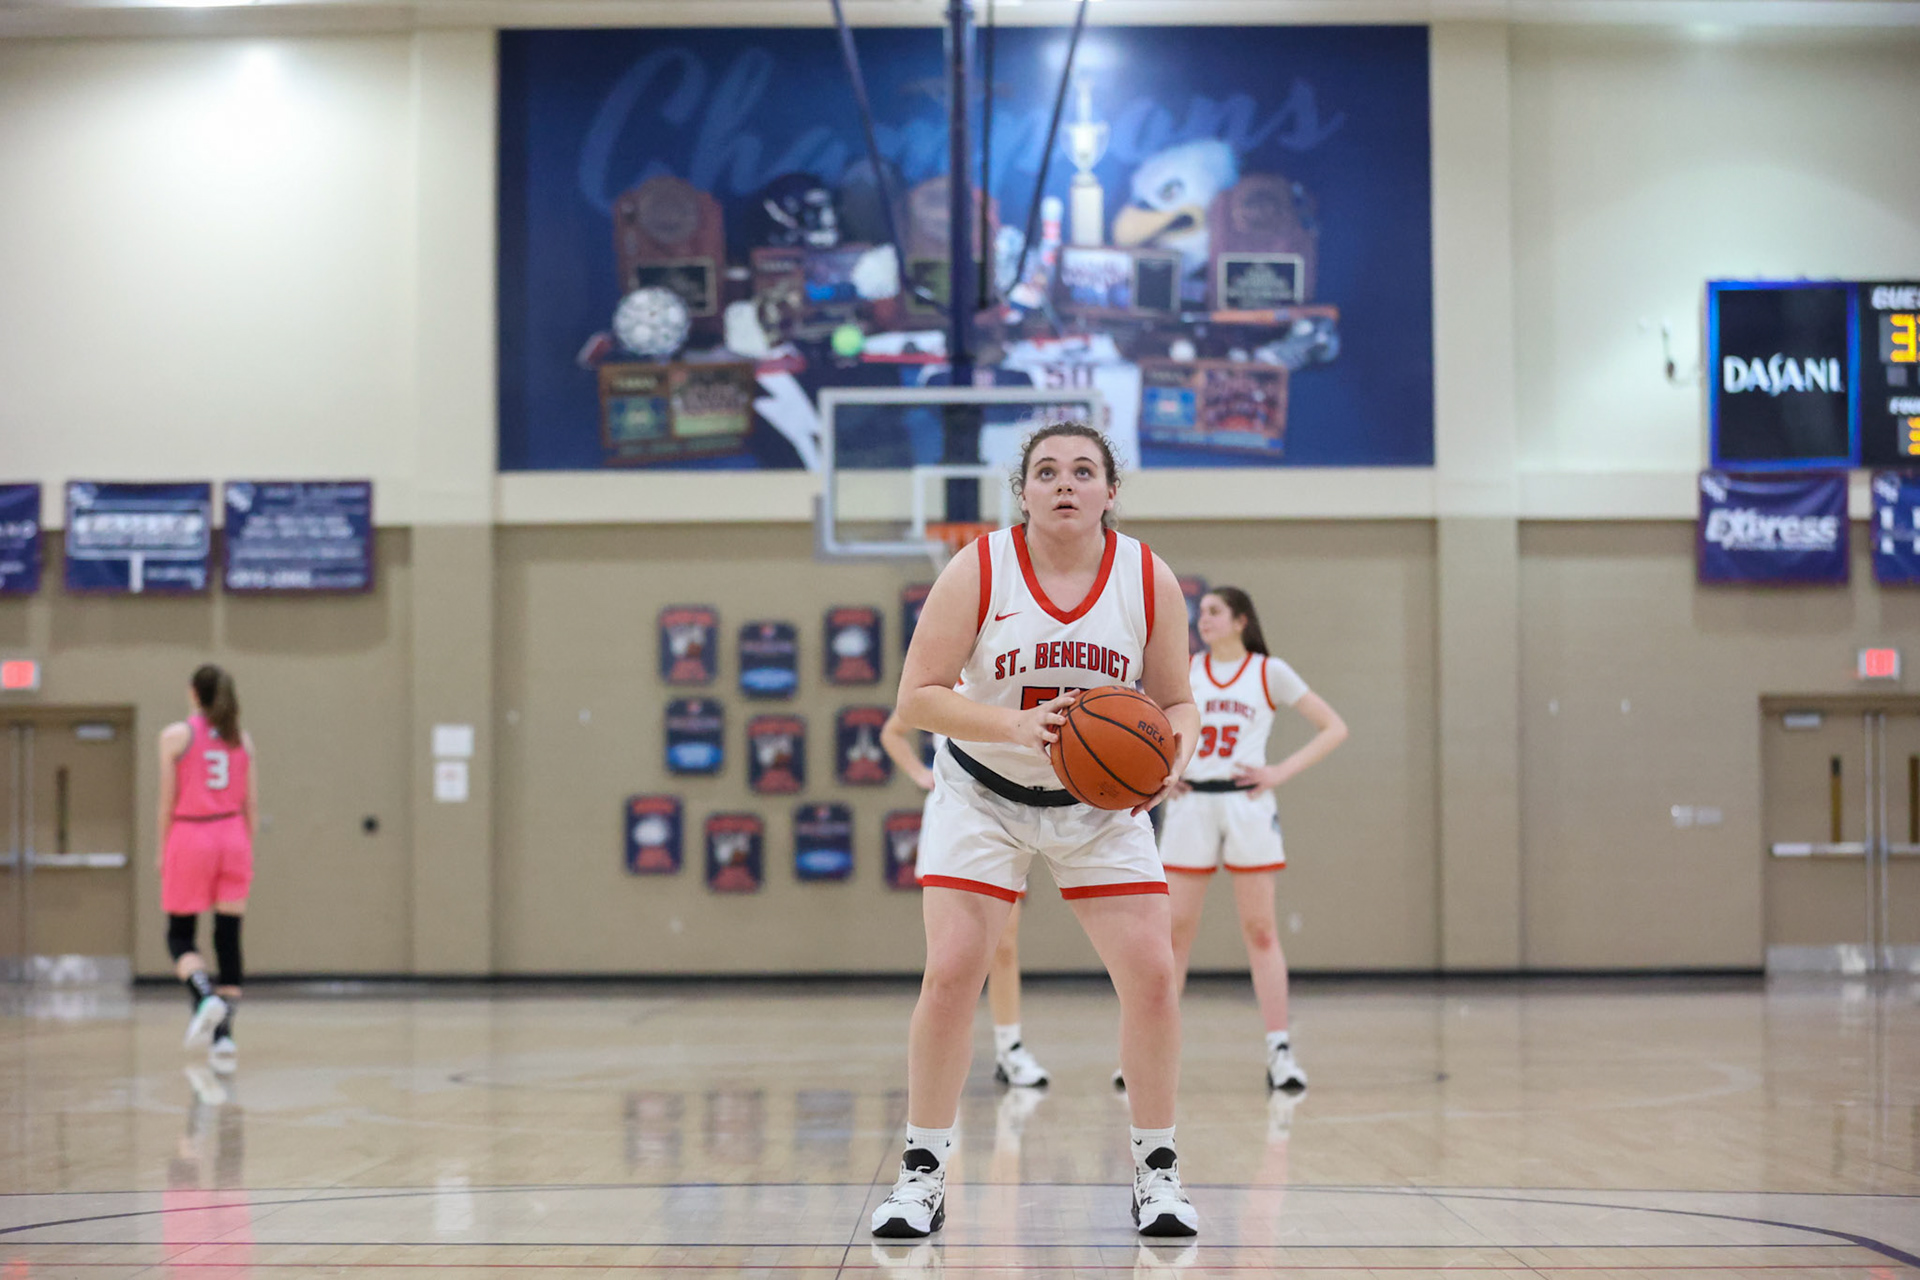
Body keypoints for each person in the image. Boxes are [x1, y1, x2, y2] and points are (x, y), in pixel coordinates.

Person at [871, 423, 1201, 1240]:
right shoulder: (979, 567)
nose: (1064, 484)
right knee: (952, 973)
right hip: (981, 793)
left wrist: (1170, 757)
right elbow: (916, 697)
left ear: (1110, 492)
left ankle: (1158, 1173)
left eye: (1083, 471)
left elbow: (1179, 703)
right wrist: (1014, 728)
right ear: (1023, 491)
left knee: (1155, 978)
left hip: (1099, 809)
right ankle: (922, 1173)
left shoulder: (1146, 576)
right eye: (1046, 471)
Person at [1156, 588, 1346, 1092]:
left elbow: (1333, 727)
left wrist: (1279, 771)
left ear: (1241, 620)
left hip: (1247, 805)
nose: (1204, 620)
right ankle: (1152, 1050)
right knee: (1174, 934)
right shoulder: (1185, 669)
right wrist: (1163, 769)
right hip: (1190, 803)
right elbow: (1150, 727)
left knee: (1261, 930)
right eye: (1203, 614)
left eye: (1215, 612)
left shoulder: (1268, 672)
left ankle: (1280, 1051)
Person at [880, 711, 1052, 1089]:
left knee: (1004, 946)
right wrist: (919, 774)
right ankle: (945, 1057)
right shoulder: (941, 684)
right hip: (955, 815)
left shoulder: (1002, 672)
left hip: (1002, 815)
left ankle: (1010, 1049)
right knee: (951, 955)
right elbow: (893, 731)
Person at [157, 664, 256, 1070]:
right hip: (233, 836)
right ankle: (224, 1039)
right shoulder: (242, 739)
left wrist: (163, 849)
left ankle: (203, 996)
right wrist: (245, 847)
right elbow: (251, 803)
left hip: (192, 833)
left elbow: (167, 799)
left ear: (194, 694)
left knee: (180, 934)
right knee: (228, 936)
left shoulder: (176, 736)